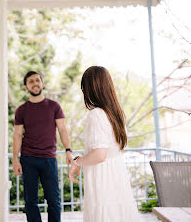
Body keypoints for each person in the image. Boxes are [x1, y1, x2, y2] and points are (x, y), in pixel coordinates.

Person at [69, 66, 142, 222]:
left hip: (103, 179)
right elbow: (106, 151)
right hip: (116, 174)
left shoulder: (96, 114)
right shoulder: (116, 113)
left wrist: (77, 161)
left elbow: (99, 155)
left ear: (90, 88)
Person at [13, 71, 73, 222]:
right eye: (31, 81)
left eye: (37, 80)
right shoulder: (21, 110)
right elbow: (17, 135)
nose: (35, 83)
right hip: (28, 159)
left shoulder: (54, 106)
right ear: (26, 87)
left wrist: (68, 150)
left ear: (42, 83)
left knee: (53, 200)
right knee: (30, 201)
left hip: (49, 159)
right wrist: (15, 158)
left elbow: (62, 129)